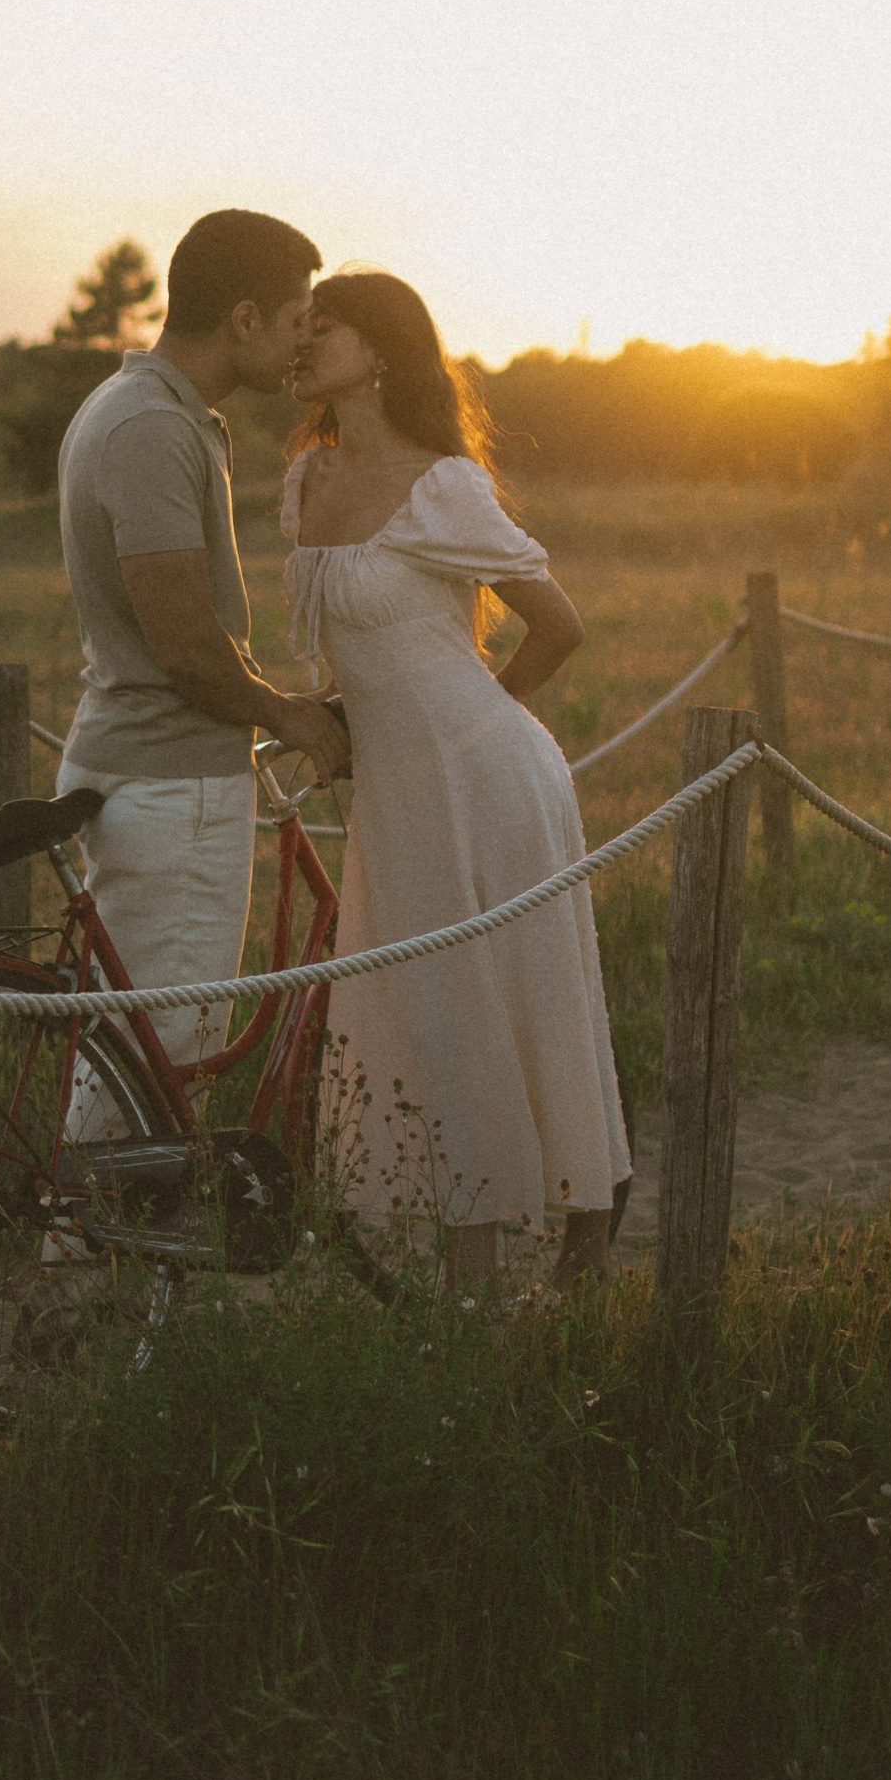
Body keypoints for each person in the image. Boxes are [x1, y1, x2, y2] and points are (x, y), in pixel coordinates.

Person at [283, 269, 630, 1287]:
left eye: (323, 327)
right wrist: (348, 712)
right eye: (300, 326)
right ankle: (469, 1285)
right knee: (436, 1019)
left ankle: (574, 1256)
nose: (303, 343)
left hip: (489, 778)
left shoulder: (443, 484)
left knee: (521, 1005)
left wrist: (475, 722)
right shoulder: (307, 479)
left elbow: (558, 626)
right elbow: (362, 644)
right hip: (397, 797)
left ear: (380, 350)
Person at [54, 209, 348, 1069]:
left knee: (132, 1063)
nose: (301, 345)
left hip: (152, 770)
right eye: (295, 322)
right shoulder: (150, 427)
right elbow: (182, 643)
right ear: (245, 319)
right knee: (166, 1061)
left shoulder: (145, 408)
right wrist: (287, 715)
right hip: (168, 781)